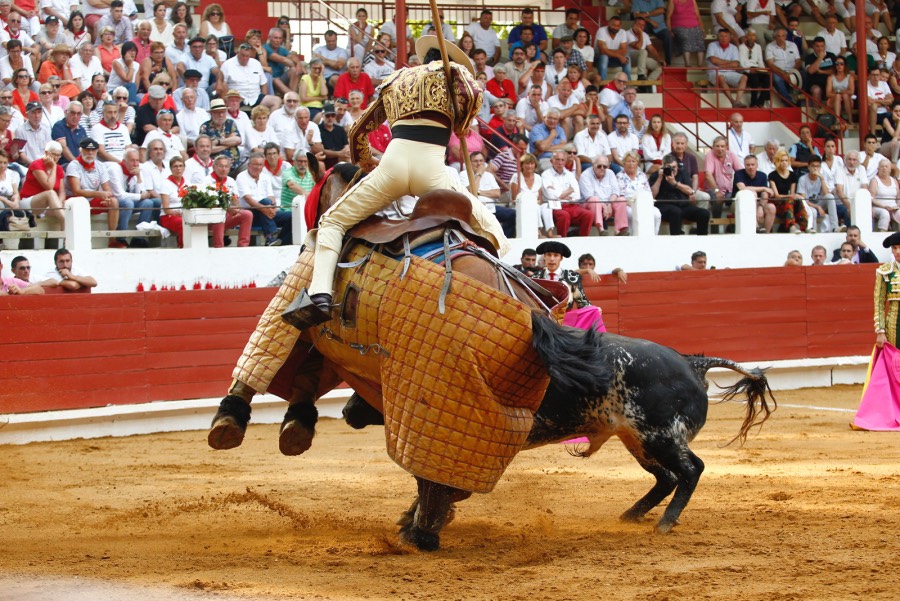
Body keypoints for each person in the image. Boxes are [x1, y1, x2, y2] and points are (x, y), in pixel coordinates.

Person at [285, 37, 507, 326]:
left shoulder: (396, 79)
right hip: (432, 170)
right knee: (488, 225)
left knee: (332, 222)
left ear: (424, 59)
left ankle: (320, 294)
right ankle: (506, 279)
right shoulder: (457, 77)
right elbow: (472, 103)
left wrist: (365, 160)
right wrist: (461, 121)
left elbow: (357, 131)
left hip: (392, 166)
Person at [532, 240, 606, 332]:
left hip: (565, 322)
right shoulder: (535, 277)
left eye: (556, 255)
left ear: (561, 258)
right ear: (544, 257)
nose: (552, 259)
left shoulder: (572, 277)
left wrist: (594, 310)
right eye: (549, 255)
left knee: (594, 311)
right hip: (541, 321)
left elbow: (582, 303)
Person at [236, 151, 291, 247]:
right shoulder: (241, 177)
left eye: (260, 165)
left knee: (291, 216)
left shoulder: (265, 177)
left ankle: (281, 242)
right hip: (251, 214)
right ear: (249, 165)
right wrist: (265, 208)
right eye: (255, 164)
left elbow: (271, 197)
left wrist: (271, 208)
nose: (258, 167)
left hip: (267, 213)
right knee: (265, 202)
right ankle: (270, 237)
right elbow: (248, 199)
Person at [650, 153, 710, 235]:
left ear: (677, 166)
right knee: (676, 212)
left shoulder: (682, 172)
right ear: (663, 167)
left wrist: (675, 183)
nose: (672, 170)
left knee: (704, 213)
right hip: (664, 206)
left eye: (674, 167)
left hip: (683, 205)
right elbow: (652, 195)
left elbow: (690, 191)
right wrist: (660, 178)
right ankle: (676, 239)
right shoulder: (656, 175)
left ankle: (701, 238)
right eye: (669, 167)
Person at [580, 156, 629, 235]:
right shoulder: (585, 175)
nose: (602, 168)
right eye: (599, 166)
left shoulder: (610, 173)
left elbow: (616, 191)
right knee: (594, 200)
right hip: (590, 205)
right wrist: (604, 205)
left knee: (621, 199)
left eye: (605, 166)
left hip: (608, 203)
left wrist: (609, 204)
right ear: (593, 165)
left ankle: (619, 230)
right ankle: (601, 229)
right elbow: (589, 195)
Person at [768, 149, 808, 233]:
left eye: (786, 160)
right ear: (777, 161)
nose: (784, 163)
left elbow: (792, 193)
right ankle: (791, 226)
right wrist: (790, 196)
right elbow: (777, 195)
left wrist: (793, 196)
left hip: (788, 202)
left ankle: (804, 225)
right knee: (790, 199)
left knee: (798, 200)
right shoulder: (772, 175)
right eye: (781, 160)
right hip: (777, 202)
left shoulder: (792, 175)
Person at [706, 29, 748, 108]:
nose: (723, 38)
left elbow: (735, 64)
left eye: (726, 36)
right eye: (721, 36)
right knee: (721, 77)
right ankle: (733, 102)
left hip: (730, 72)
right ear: (718, 37)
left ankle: (737, 101)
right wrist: (729, 62)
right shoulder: (712, 45)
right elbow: (714, 60)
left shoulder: (734, 48)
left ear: (729, 38)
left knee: (744, 77)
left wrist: (721, 64)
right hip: (715, 72)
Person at [734, 154, 776, 233]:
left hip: (759, 203)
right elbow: (742, 188)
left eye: (752, 164)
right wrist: (764, 188)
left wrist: (760, 207)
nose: (750, 167)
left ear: (757, 165)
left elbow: (765, 194)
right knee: (752, 193)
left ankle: (766, 234)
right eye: (748, 165)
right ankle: (756, 227)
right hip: (739, 204)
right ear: (744, 165)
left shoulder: (763, 175)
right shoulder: (738, 174)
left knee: (771, 207)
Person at [798, 156, 838, 232]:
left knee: (830, 197)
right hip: (808, 205)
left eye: (818, 166)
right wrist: (818, 207)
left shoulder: (821, 178)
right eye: (813, 166)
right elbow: (804, 200)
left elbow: (827, 194)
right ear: (809, 167)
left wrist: (822, 179)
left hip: (819, 203)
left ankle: (835, 227)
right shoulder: (802, 179)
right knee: (814, 211)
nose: (815, 169)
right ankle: (813, 231)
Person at [869, 159, 900, 231]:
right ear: (878, 169)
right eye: (882, 166)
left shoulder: (894, 180)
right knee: (885, 213)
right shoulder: (874, 180)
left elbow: (898, 196)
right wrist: (884, 206)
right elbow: (871, 198)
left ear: (890, 169)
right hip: (879, 207)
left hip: (893, 207)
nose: (884, 168)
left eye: (886, 166)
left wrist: (898, 206)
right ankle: (882, 233)